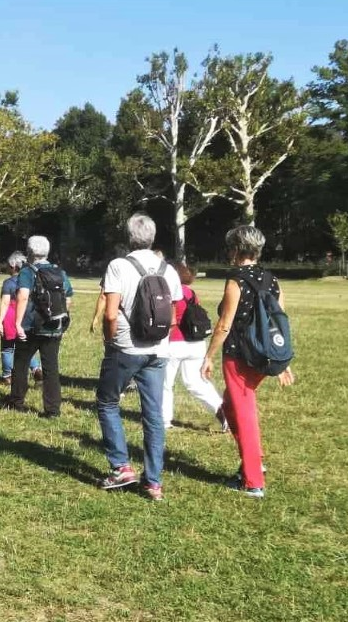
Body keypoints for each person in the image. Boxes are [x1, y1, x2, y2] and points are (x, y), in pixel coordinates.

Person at [201, 226, 296, 499]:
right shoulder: (273, 280)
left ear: (237, 249)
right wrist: (283, 359)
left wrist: (208, 357)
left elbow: (223, 325)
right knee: (229, 407)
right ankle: (255, 459)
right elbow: (280, 323)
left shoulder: (236, 281)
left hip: (239, 357)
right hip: (262, 355)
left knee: (244, 414)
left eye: (230, 247)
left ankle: (253, 481)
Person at [96, 214, 183, 501]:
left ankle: (121, 466)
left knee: (108, 402)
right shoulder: (168, 269)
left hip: (126, 347)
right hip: (158, 350)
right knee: (153, 414)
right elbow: (172, 317)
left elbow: (110, 312)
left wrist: (110, 340)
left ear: (128, 236)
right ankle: (153, 481)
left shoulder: (118, 266)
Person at [6, 236, 73, 418]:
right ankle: (52, 410)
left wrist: (18, 323)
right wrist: (60, 317)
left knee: (20, 364)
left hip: (31, 326)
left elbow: (23, 297)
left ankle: (16, 402)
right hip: (53, 326)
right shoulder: (60, 272)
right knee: (51, 367)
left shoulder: (28, 272)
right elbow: (68, 296)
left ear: (29, 252)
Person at [163, 261, 227, 431]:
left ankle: (164, 420)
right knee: (196, 383)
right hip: (196, 343)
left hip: (174, 343)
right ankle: (223, 411)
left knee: (165, 383)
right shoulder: (191, 293)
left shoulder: (169, 292)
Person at [0, 251, 40, 385]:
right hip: (27, 315)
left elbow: (5, 303)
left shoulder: (8, 282)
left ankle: (7, 376)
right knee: (27, 346)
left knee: (8, 348)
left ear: (13, 265)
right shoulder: (31, 279)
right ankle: (36, 369)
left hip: (11, 316)